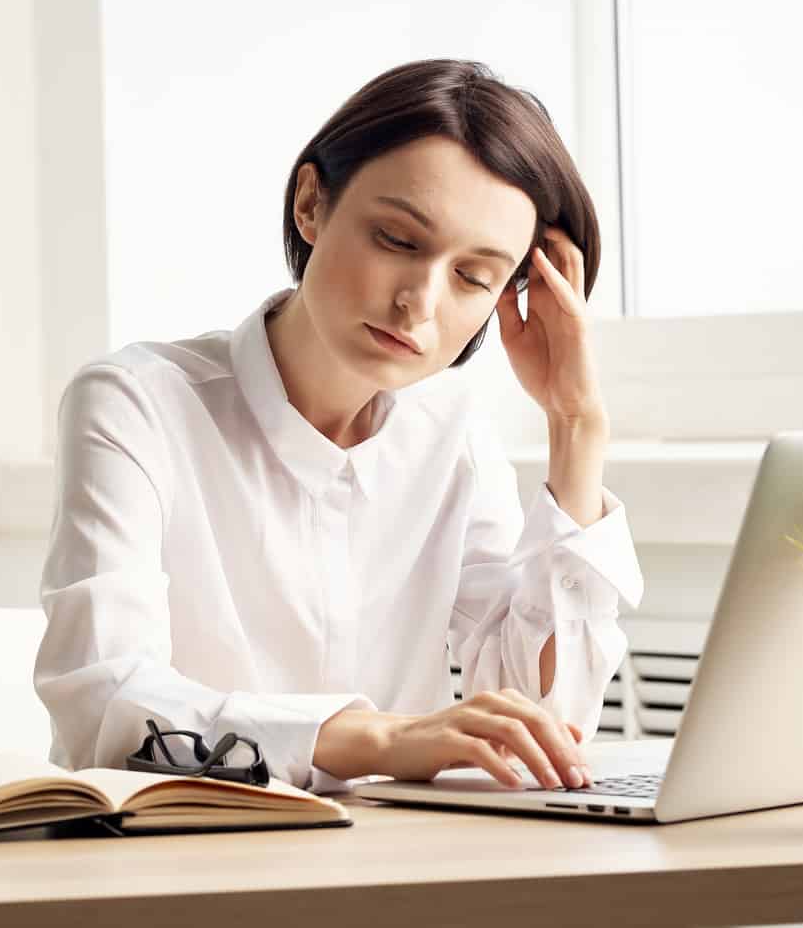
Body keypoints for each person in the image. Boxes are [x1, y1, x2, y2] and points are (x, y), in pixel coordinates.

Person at [33, 59, 644, 793]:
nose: (420, 303)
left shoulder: (454, 442)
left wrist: (575, 424)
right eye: (397, 239)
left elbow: (548, 724)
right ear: (311, 204)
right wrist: (377, 738)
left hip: (385, 869)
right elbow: (105, 703)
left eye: (474, 278)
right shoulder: (136, 405)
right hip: (171, 865)